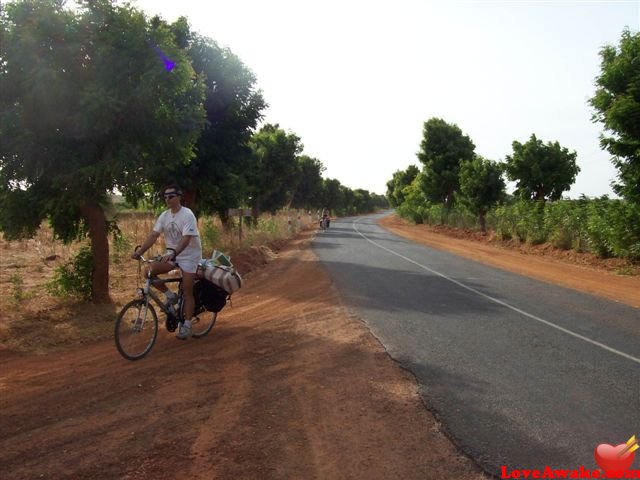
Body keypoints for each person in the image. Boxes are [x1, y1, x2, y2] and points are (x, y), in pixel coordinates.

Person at [132, 184, 202, 339]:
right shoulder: (164, 216)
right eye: (165, 197)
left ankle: (187, 325)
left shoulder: (187, 214)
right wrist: (139, 252)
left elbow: (186, 238)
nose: (167, 199)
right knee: (148, 272)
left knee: (187, 289)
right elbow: (153, 236)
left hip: (189, 256)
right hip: (173, 255)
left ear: (179, 197)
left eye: (171, 196)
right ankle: (170, 295)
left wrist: (174, 253)